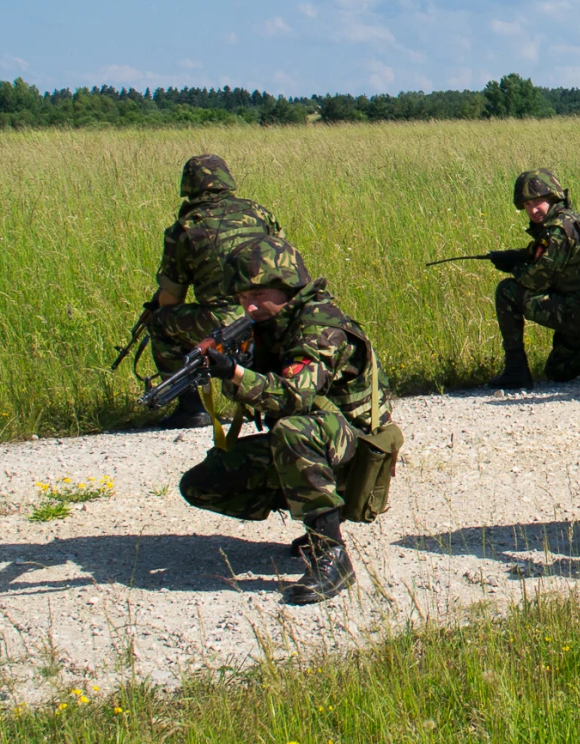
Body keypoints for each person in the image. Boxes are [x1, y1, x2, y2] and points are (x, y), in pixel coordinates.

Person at [177, 235, 398, 605]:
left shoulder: (321, 325)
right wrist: (236, 368)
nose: (248, 307)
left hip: (356, 446)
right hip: (320, 438)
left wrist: (233, 372)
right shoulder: (268, 327)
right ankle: (317, 520)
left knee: (293, 431)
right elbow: (257, 395)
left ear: (287, 286)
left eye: (257, 295)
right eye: (243, 298)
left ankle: (332, 556)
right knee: (202, 483)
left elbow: (294, 395)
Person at [146, 154, 281, 423]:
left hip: (225, 321)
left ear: (189, 186)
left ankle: (191, 407)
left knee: (160, 322)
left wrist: (154, 309)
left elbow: (171, 298)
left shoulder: (186, 228)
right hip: (269, 311)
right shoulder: (260, 213)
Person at [493, 169, 580, 388]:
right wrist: (521, 255)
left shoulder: (557, 231)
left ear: (553, 198)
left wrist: (513, 267)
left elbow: (536, 281)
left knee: (507, 291)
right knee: (557, 370)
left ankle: (515, 369)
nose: (533, 210)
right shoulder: (576, 220)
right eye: (527, 205)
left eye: (538, 202)